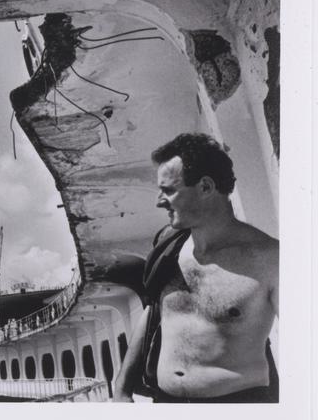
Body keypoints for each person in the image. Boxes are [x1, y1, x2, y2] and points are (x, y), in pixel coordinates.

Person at [114, 133, 279, 403]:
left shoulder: (270, 258)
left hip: (236, 411)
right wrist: (122, 388)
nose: (158, 200)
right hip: (166, 404)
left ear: (205, 187)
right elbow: (154, 310)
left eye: (169, 190)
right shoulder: (169, 247)